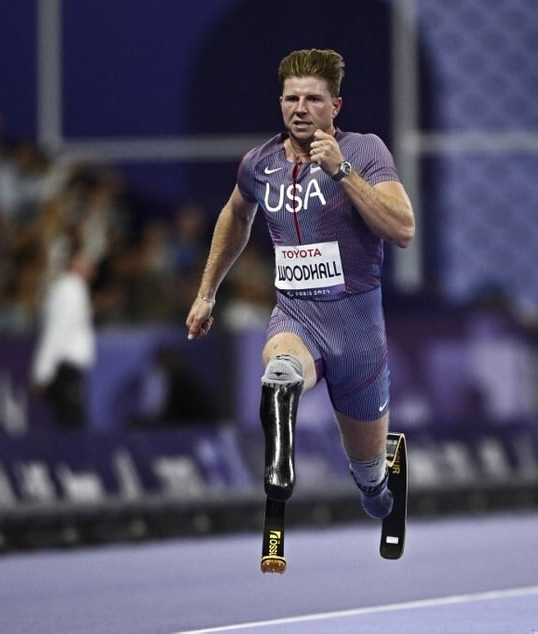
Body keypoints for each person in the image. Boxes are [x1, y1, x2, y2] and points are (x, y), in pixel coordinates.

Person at [185, 49, 415, 519]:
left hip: (358, 332)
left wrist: (342, 172)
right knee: (280, 371)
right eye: (291, 98)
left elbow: (403, 229)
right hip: (296, 315)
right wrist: (207, 292)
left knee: (369, 480)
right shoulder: (258, 164)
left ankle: (377, 488)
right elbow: (235, 215)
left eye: (313, 99)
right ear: (280, 102)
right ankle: (280, 465)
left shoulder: (365, 151)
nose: (300, 108)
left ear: (336, 106)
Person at [31, 238, 97, 430]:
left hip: (68, 370)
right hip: (64, 369)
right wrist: (43, 372)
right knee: (71, 425)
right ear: (74, 261)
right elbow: (56, 332)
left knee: (72, 423)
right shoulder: (69, 289)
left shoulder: (77, 288)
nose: (92, 265)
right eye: (86, 260)